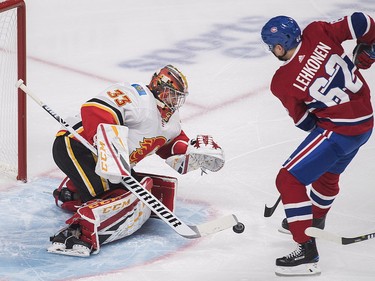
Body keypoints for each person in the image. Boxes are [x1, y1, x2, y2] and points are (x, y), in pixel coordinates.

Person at [48, 65, 225, 257]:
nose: (175, 100)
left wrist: (194, 153)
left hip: (106, 160)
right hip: (77, 146)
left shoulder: (170, 118)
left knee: (131, 194)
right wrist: (108, 146)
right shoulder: (138, 97)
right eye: (172, 94)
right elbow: (94, 109)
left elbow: (170, 145)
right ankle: (74, 235)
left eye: (178, 96)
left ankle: (71, 191)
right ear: (160, 88)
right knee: (113, 198)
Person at [261, 12, 375, 275]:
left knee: (288, 180)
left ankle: (306, 251)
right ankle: (315, 219)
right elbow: (361, 20)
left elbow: (304, 121)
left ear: (279, 47)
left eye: (271, 47)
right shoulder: (318, 31)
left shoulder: (281, 81)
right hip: (365, 123)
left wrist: (320, 133)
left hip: (340, 130)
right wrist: (371, 45)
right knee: (327, 174)